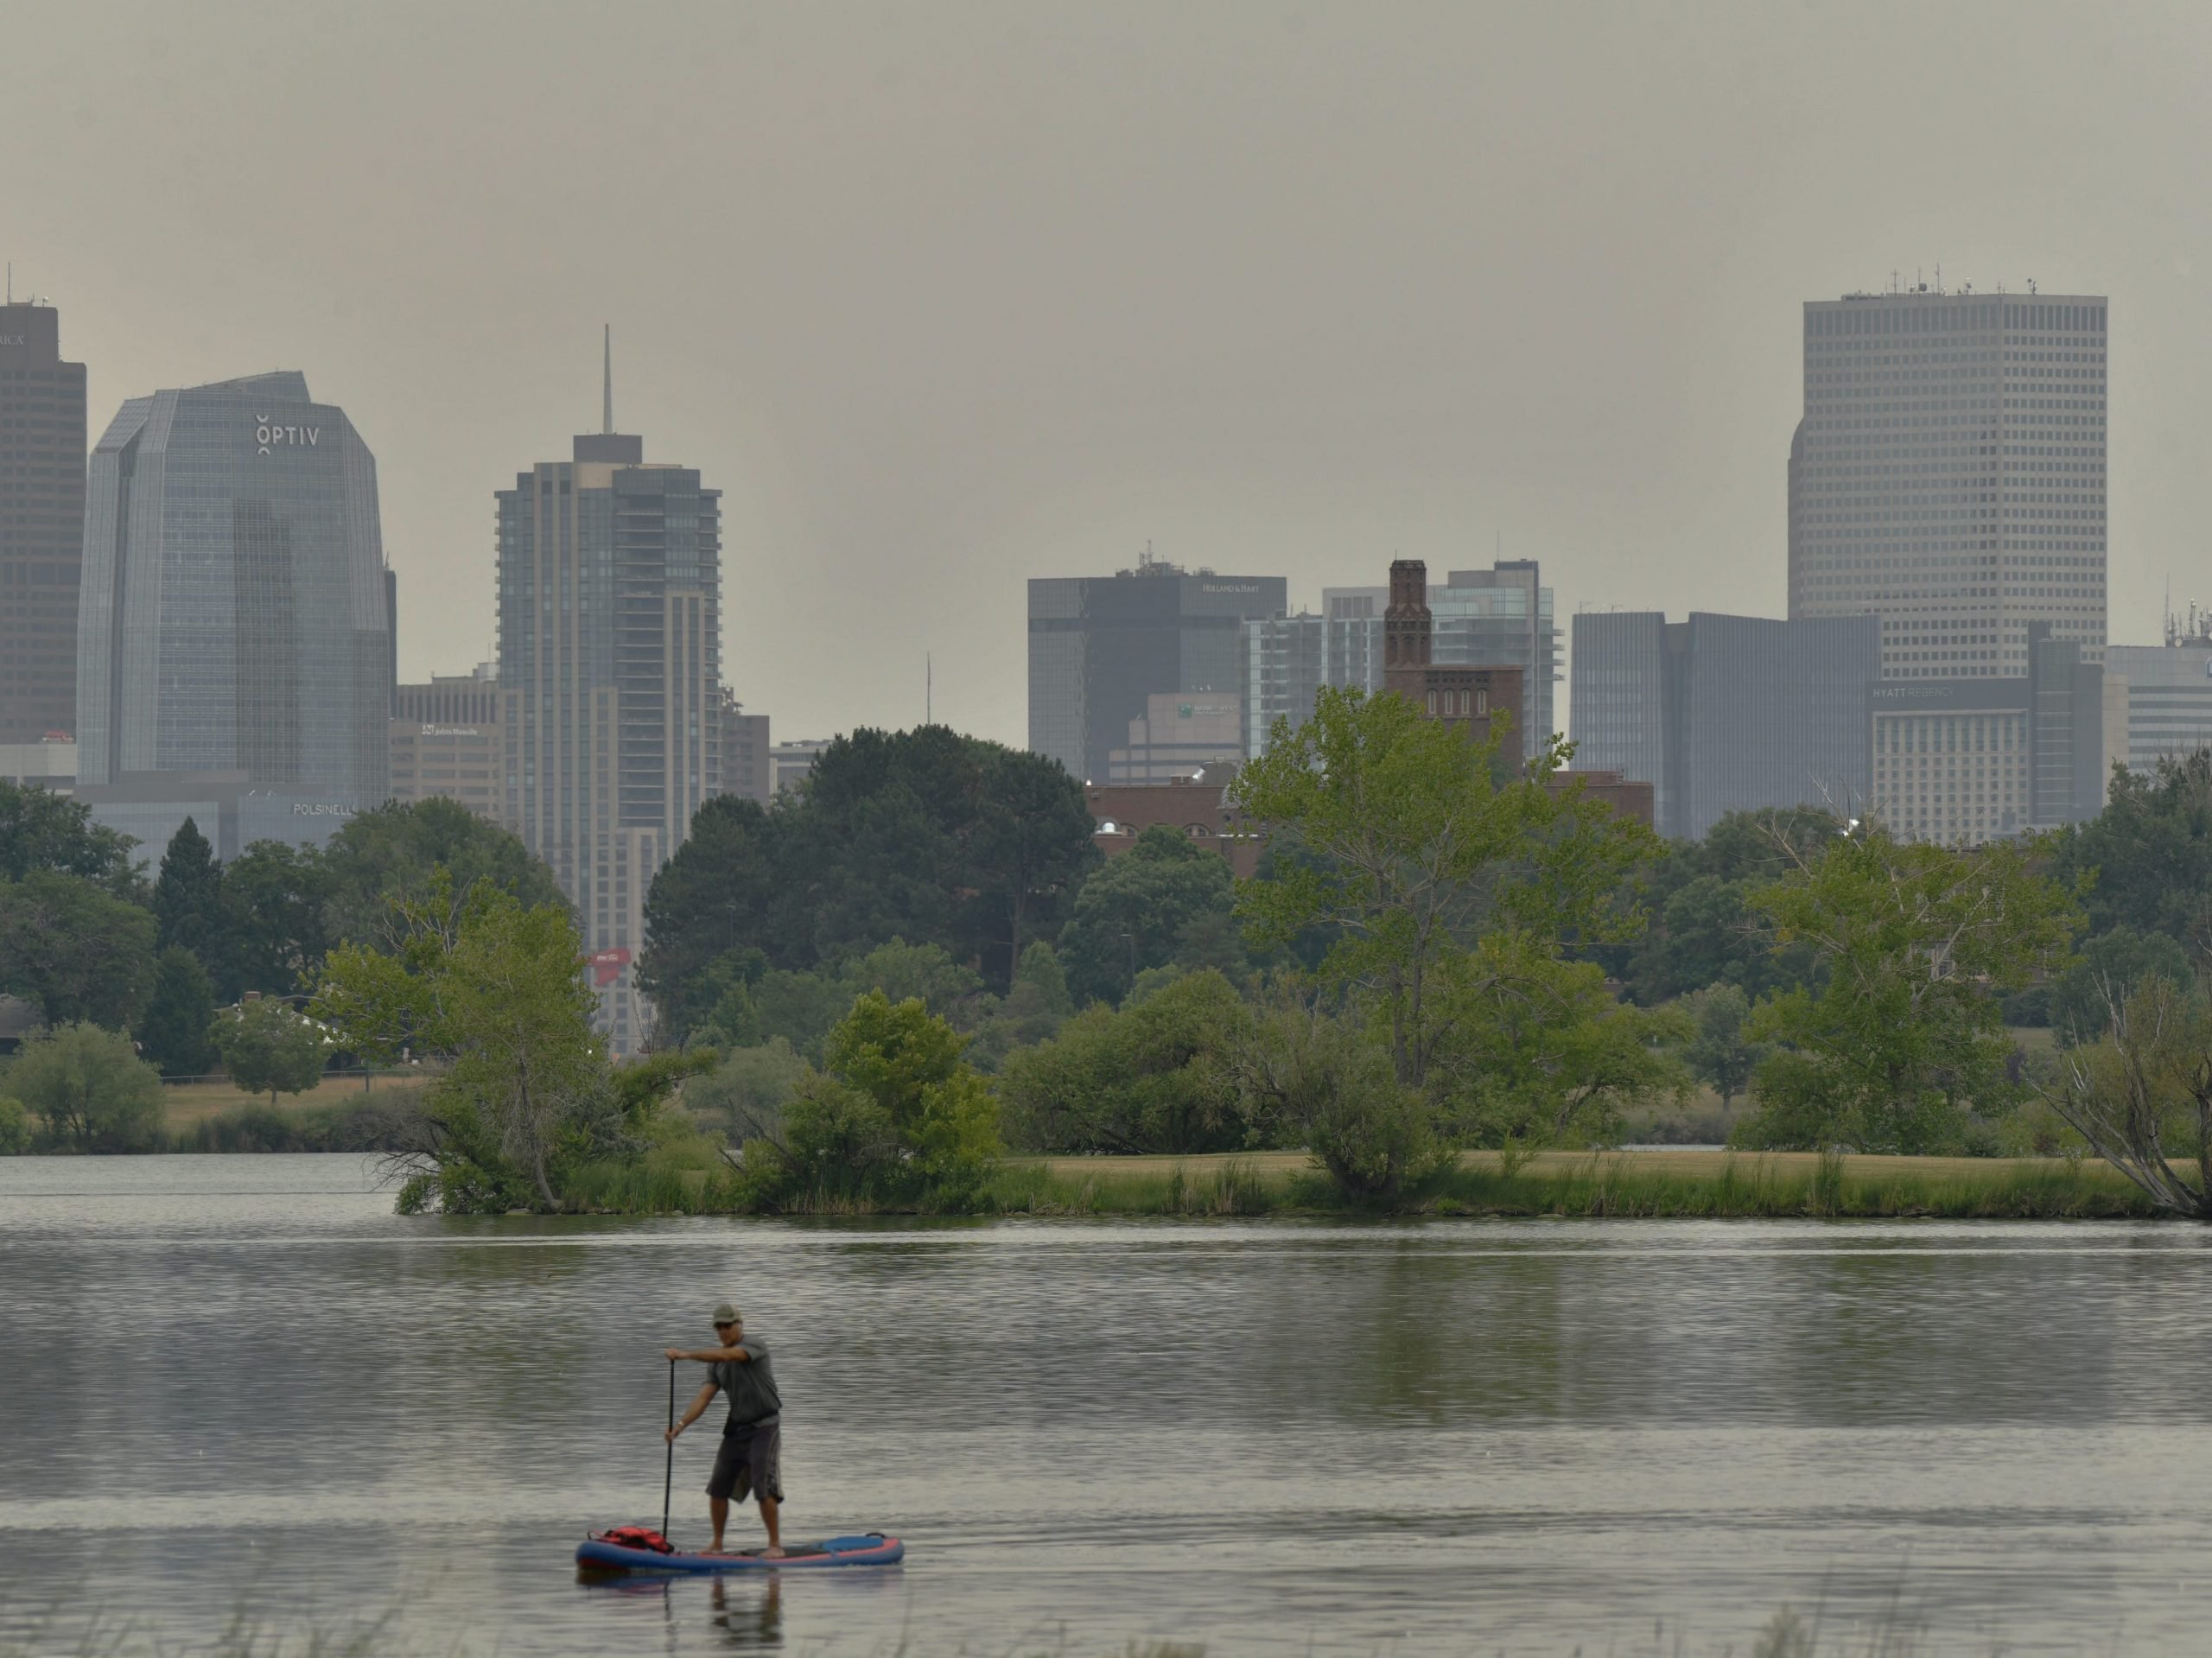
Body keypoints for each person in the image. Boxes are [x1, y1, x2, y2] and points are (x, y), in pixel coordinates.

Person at [665, 1302, 784, 1556]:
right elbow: (703, 1398)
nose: (723, 1331)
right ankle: (717, 1544)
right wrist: (680, 1427)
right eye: (719, 1327)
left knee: (763, 1487)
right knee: (717, 1487)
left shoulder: (754, 1346)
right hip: (737, 1428)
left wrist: (685, 1355)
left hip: (765, 1426)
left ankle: (775, 1546)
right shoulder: (716, 1364)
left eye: (727, 1326)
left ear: (739, 1325)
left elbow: (730, 1355)